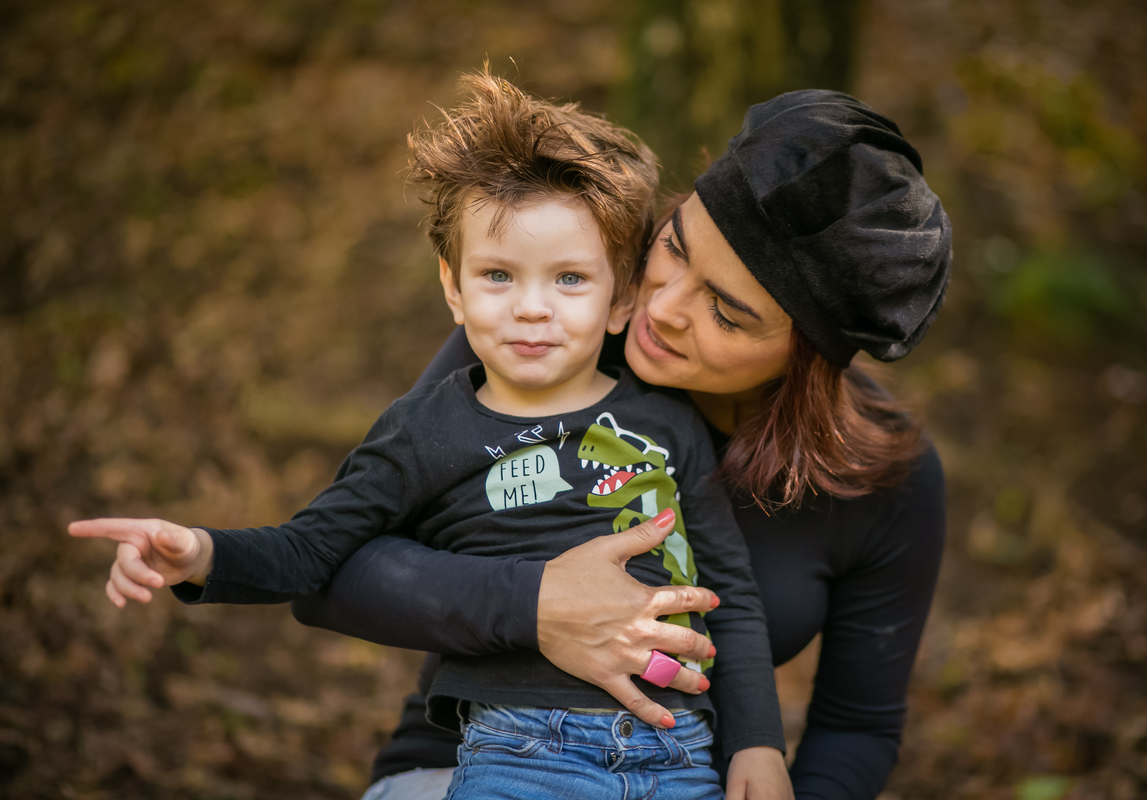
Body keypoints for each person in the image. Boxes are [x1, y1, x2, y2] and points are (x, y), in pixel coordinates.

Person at [68, 73, 792, 800]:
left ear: (622, 299)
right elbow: (311, 550)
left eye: (570, 279)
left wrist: (757, 743)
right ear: (453, 288)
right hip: (522, 753)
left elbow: (729, 591)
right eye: (498, 275)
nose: (532, 308)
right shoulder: (424, 431)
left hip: (682, 752)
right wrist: (200, 553)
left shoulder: (666, 422)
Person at [291, 89, 952, 800]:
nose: (661, 307)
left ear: (806, 359)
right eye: (674, 247)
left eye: (725, 313)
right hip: (471, 768)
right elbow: (328, 570)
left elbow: (857, 728)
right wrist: (534, 603)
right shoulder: (551, 343)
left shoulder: (886, 479)